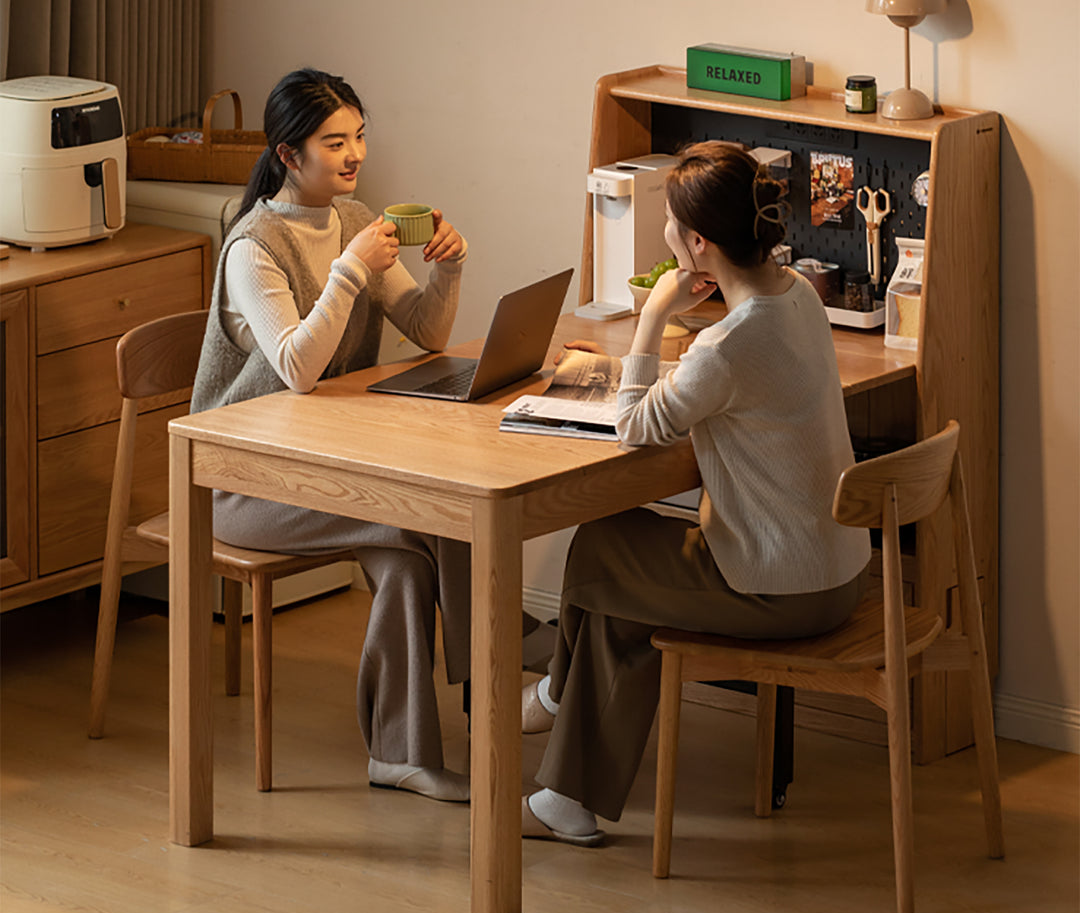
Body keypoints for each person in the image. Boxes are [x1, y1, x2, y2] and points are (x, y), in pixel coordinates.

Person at [520, 140, 872, 845]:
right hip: (840, 570)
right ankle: (568, 797)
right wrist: (638, 360)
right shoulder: (798, 295)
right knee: (627, 577)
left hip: (777, 585)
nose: (664, 234)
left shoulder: (727, 347)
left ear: (699, 244)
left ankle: (559, 697)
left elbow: (633, 425)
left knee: (602, 543)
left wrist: (651, 317)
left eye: (670, 225)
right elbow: (718, 382)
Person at [191, 67, 474, 802]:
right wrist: (350, 274)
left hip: (320, 462)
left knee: (412, 554)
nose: (354, 156)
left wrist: (449, 271)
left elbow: (427, 332)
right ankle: (498, 660)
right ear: (289, 155)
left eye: (360, 139)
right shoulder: (254, 247)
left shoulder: (354, 222)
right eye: (334, 142)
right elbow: (297, 369)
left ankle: (401, 753)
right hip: (240, 478)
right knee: (422, 514)